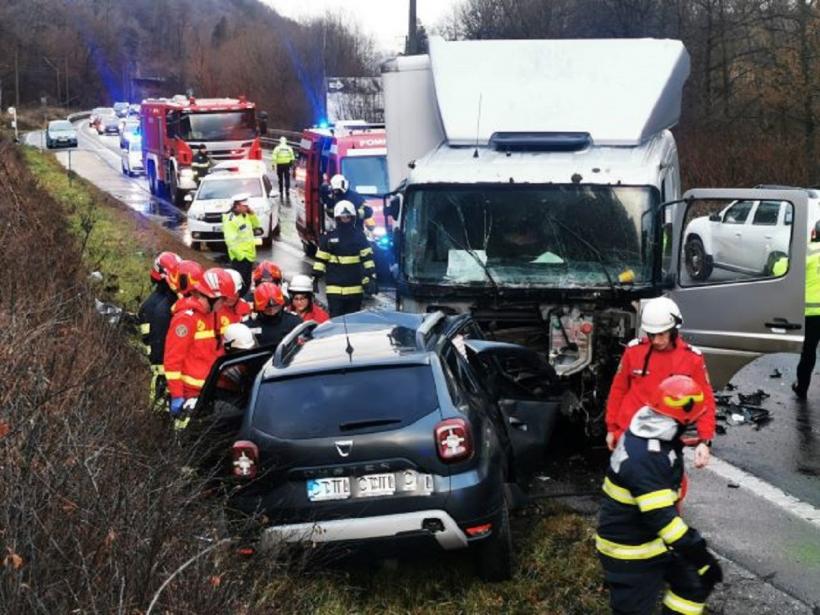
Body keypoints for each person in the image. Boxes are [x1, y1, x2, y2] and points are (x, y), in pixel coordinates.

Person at [597, 375, 723, 615]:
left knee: (693, 584)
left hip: (648, 540)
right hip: (630, 552)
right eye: (691, 421)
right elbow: (663, 520)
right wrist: (700, 555)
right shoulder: (647, 457)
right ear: (679, 418)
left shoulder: (650, 432)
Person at [606, 296, 716, 470]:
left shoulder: (692, 359)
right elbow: (618, 390)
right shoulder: (634, 351)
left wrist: (704, 440)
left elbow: (705, 401)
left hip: (667, 441)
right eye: (651, 335)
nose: (656, 340)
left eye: (661, 334)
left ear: (673, 330)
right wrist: (611, 428)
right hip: (630, 436)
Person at [164, 266, 224, 430]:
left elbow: (210, 352)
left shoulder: (210, 315)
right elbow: (172, 361)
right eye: (222, 300)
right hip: (188, 395)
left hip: (206, 390)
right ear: (211, 298)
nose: (223, 304)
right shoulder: (186, 319)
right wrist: (177, 395)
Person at [313, 201, 376, 317]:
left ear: (352, 217)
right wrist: (315, 277)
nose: (345, 218)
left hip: (355, 289)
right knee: (336, 322)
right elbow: (321, 259)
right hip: (334, 290)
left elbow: (367, 259)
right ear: (337, 218)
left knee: (353, 323)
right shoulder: (329, 237)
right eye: (342, 217)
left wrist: (371, 276)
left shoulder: (359, 236)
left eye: (347, 216)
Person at [138, 251, 181, 410]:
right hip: (161, 365)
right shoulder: (160, 307)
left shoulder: (153, 303)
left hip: (163, 364)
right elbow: (157, 342)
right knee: (160, 405)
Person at [793, 220, 820, 400]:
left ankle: (802, 388)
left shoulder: (809, 251)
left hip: (812, 315)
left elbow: (784, 268)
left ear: (814, 233)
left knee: (809, 352)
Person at [222, 193, 262, 290]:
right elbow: (230, 241)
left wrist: (252, 214)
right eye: (244, 206)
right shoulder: (231, 220)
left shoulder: (245, 215)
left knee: (247, 282)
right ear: (237, 206)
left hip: (249, 256)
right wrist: (241, 257)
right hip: (240, 258)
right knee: (241, 284)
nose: (247, 207)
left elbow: (257, 225)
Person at [247, 282, 302, 347]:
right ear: (257, 307)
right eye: (266, 307)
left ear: (281, 304)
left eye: (275, 306)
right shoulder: (249, 326)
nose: (271, 310)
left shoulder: (293, 321)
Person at [214, 268, 252, 335]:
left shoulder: (245, 307)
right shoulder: (213, 309)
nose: (230, 297)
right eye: (227, 293)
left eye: (235, 292)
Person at [272, 136, 295, 200]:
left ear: (280, 141)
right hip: (287, 165)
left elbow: (274, 156)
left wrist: (273, 165)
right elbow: (292, 157)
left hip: (280, 165)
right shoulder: (289, 148)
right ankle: (287, 190)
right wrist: (292, 165)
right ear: (286, 141)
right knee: (287, 178)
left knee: (280, 178)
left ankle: (281, 190)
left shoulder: (277, 148)